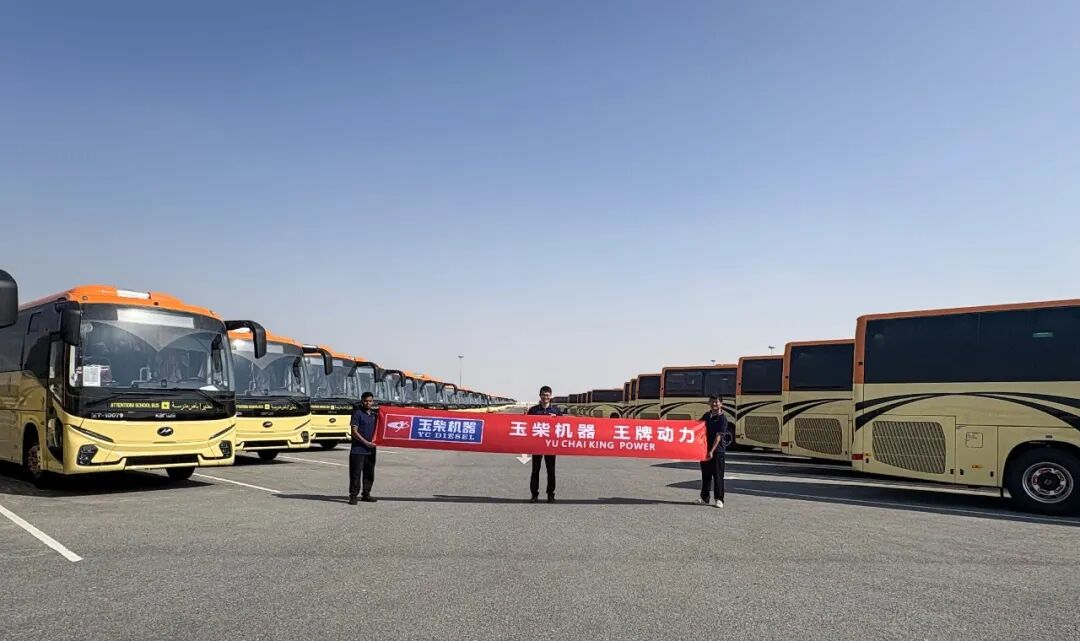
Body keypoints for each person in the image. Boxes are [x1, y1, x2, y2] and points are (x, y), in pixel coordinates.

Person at [527, 385, 562, 503]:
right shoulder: (533, 411)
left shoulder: (556, 411)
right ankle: (534, 495)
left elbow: (563, 427)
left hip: (550, 445)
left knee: (551, 471)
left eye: (547, 395)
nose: (545, 397)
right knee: (535, 470)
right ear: (540, 395)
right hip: (536, 445)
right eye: (543, 395)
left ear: (550, 396)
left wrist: (556, 419)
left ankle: (550, 495)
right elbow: (527, 426)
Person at [699, 396, 732, 508]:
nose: (714, 404)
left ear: (721, 404)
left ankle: (719, 499)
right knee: (706, 475)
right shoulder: (706, 416)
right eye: (712, 402)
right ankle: (704, 498)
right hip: (704, 450)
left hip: (718, 452)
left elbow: (718, 436)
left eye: (716, 402)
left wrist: (712, 451)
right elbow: (697, 427)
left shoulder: (723, 419)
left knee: (718, 476)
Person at [348, 392, 378, 505]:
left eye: (370, 401)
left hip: (371, 449)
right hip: (358, 449)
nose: (368, 403)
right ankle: (353, 495)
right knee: (355, 474)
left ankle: (366, 494)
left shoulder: (374, 414)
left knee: (369, 473)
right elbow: (354, 432)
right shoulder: (357, 413)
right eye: (365, 401)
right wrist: (366, 442)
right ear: (362, 401)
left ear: (373, 402)